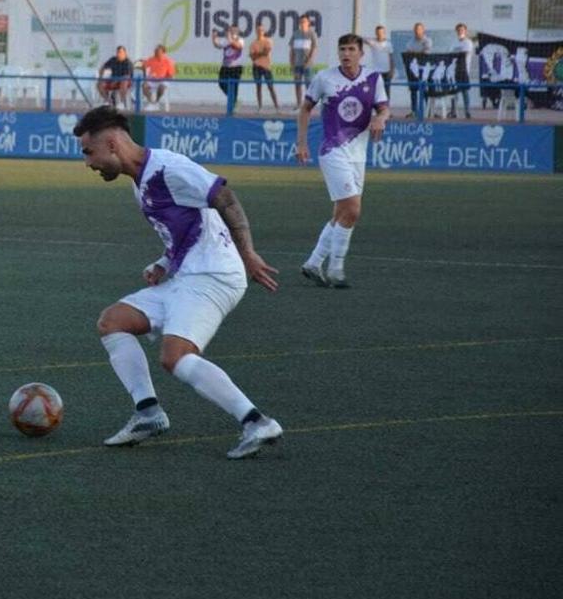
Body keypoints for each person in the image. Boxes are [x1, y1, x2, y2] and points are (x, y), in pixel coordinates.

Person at [72, 106, 284, 460]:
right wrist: (163, 262)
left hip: (216, 275)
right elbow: (185, 230)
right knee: (113, 322)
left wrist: (248, 253)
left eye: (88, 152)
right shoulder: (140, 186)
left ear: (111, 144)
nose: (88, 163)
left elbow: (225, 197)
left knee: (176, 357)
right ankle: (148, 413)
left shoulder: (168, 168)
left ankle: (256, 422)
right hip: (188, 276)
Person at [296, 34, 390, 289]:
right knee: (353, 209)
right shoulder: (325, 78)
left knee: (341, 213)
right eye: (342, 49)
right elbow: (305, 108)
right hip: (333, 150)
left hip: (359, 154)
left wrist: (381, 117)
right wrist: (302, 142)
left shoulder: (373, 78)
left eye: (351, 49)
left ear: (361, 53)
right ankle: (336, 269)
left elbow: (383, 108)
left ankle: (314, 263)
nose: (346, 54)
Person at [211, 25, 243, 114]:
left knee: (234, 87)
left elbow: (237, 46)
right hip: (225, 67)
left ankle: (232, 108)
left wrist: (230, 38)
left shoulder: (240, 40)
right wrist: (214, 37)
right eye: (230, 30)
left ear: (237, 32)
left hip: (236, 67)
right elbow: (217, 45)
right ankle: (234, 100)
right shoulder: (226, 40)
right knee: (221, 83)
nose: (232, 32)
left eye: (234, 31)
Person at [289, 15, 319, 109]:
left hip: (308, 65)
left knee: (308, 85)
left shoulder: (311, 34)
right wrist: (291, 63)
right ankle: (299, 104)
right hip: (297, 64)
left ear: (308, 23)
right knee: (297, 84)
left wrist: (309, 61)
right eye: (301, 22)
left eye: (304, 22)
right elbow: (292, 50)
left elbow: (314, 49)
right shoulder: (295, 34)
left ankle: (309, 104)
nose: (302, 24)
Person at [248, 23, 279, 112]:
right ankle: (260, 107)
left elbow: (266, 52)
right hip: (256, 67)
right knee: (258, 87)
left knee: (270, 87)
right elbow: (252, 57)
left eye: (261, 30)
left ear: (264, 31)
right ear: (255, 31)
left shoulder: (268, 41)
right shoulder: (253, 43)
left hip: (266, 67)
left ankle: (277, 107)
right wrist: (260, 53)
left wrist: (256, 54)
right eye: (258, 30)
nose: (259, 32)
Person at [405, 22, 432, 118]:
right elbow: (408, 53)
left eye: (419, 29)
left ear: (423, 30)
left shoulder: (427, 40)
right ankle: (413, 111)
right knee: (413, 90)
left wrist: (415, 53)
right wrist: (416, 53)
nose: (417, 31)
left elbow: (426, 51)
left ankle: (428, 111)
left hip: (424, 70)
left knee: (425, 90)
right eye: (416, 29)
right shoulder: (410, 42)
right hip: (414, 70)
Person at [364, 25, 395, 107]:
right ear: (376, 33)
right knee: (376, 91)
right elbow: (361, 39)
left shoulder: (388, 44)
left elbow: (391, 58)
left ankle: (386, 110)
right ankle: (377, 110)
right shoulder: (373, 42)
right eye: (378, 33)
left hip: (386, 71)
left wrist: (392, 70)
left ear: (384, 33)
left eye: (381, 33)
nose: (380, 34)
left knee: (387, 91)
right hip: (377, 71)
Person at [139, 44, 176, 110]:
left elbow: (171, 75)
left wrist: (163, 78)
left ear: (163, 52)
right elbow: (144, 66)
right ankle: (152, 103)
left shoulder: (168, 61)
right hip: (152, 80)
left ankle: (156, 102)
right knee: (144, 85)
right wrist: (142, 66)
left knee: (161, 87)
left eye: (157, 51)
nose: (155, 52)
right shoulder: (151, 59)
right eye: (155, 51)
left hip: (163, 80)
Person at [453, 23, 475, 119]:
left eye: (462, 30)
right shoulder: (454, 43)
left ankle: (467, 111)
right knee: (454, 92)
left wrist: (457, 53)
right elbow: (450, 54)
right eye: (458, 30)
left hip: (464, 70)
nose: (460, 32)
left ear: (465, 31)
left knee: (465, 92)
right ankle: (453, 111)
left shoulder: (468, 42)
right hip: (454, 71)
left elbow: (465, 53)